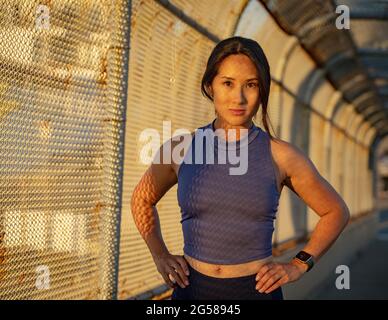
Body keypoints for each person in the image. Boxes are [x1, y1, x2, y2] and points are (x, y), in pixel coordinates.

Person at [130, 36, 350, 300]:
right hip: (192, 292)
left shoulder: (281, 155)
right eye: (227, 83)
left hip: (256, 292)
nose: (239, 97)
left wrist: (298, 265)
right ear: (210, 86)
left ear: (262, 91)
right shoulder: (181, 149)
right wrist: (160, 255)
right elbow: (142, 199)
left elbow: (335, 211)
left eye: (251, 85)